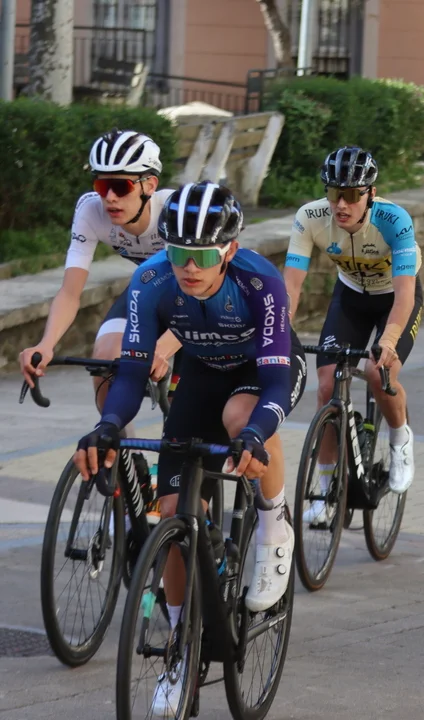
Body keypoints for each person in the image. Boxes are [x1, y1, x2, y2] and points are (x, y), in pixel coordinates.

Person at [73, 182, 307, 713]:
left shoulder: (260, 282)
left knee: (240, 418)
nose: (189, 267)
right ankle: (181, 648)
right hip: (201, 373)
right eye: (179, 253)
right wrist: (108, 424)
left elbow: (275, 384)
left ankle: (274, 522)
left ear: (228, 250)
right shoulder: (151, 280)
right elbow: (132, 372)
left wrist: (255, 434)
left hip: (261, 372)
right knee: (176, 514)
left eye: (202, 256)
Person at [285, 146, 421, 506]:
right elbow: (291, 285)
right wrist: (279, 330)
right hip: (350, 297)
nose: (341, 204)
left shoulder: (394, 220)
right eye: (334, 193)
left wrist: (388, 340)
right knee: (326, 385)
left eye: (351, 195)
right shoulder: (309, 217)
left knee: (379, 373)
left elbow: (405, 297)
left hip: (394, 298)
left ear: (371, 194)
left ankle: (400, 439)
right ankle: (325, 490)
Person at [19, 129, 181, 406]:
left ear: (149, 185)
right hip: (150, 288)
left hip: (202, 297)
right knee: (106, 362)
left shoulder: (175, 210)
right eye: (102, 186)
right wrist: (46, 344)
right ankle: (113, 432)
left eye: (121, 187)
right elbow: (70, 293)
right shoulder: (91, 210)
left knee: (185, 407)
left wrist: (161, 348)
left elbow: (197, 295)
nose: (110, 198)